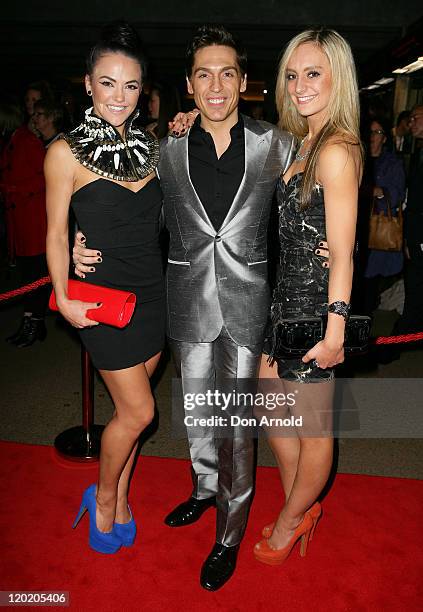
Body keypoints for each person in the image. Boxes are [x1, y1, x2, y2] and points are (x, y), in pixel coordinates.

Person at [73, 24, 297, 589]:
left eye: (227, 73)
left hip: (248, 306)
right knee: (197, 410)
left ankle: (229, 532)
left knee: (235, 428)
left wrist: (328, 254)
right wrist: (81, 245)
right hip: (182, 299)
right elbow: (126, 213)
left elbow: (304, 211)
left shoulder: (277, 143)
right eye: (204, 74)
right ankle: (202, 487)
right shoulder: (162, 147)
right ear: (189, 87)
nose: (216, 85)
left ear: (244, 82)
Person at [46, 22, 165, 554]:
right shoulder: (64, 153)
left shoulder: (155, 146)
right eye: (108, 83)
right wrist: (64, 294)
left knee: (128, 419)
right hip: (101, 299)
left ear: (143, 92)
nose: (120, 96)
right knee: (140, 412)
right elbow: (53, 232)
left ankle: (119, 493)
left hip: (153, 293)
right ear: (89, 85)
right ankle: (103, 497)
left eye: (131, 86)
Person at [255, 28, 362, 565]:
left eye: (313, 73)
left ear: (337, 77)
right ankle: (300, 506)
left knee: (314, 433)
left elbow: (342, 253)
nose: (299, 86)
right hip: (281, 303)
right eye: (292, 75)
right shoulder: (300, 140)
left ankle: (291, 519)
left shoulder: (338, 149)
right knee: (276, 418)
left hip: (316, 311)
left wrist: (335, 332)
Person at [361, 117, 405, 315]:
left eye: (378, 133)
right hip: (355, 226)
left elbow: (396, 196)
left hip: (376, 228)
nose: (372, 137)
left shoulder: (393, 163)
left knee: (368, 283)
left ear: (385, 138)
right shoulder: (357, 156)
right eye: (370, 132)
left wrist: (377, 191)